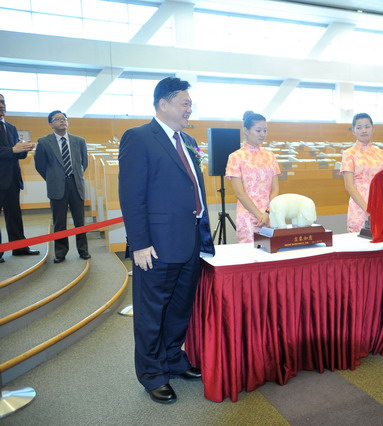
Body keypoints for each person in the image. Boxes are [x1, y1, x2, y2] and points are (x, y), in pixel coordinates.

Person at [118, 77, 214, 404]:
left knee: (179, 308)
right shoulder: (138, 138)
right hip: (156, 245)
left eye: (190, 104)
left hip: (190, 241)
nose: (189, 109)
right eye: (184, 103)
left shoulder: (188, 140)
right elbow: (132, 196)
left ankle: (173, 359)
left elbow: (192, 187)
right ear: (163, 104)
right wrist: (139, 243)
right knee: (151, 313)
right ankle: (152, 374)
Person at [34, 111, 90, 263]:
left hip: (76, 184)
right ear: (51, 124)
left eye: (64, 118)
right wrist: (53, 178)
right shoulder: (44, 142)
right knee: (59, 222)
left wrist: (74, 176)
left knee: (80, 221)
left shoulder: (79, 141)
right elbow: (40, 165)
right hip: (56, 186)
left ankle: (83, 250)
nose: (62, 121)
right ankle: (60, 252)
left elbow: (84, 163)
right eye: (57, 119)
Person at [225, 111, 280, 243]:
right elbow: (240, 193)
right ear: (246, 130)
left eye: (265, 130)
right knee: (250, 252)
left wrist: (267, 213)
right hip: (247, 215)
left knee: (271, 250)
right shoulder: (235, 157)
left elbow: (275, 189)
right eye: (258, 130)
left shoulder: (270, 156)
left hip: (270, 214)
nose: (262, 134)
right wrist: (259, 215)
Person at [0, 93, 40, 263]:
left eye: (3, 102)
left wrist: (24, 149)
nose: (1, 105)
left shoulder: (11, 127)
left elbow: (16, 152)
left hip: (12, 179)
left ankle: (19, 248)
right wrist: (12, 150)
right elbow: (10, 150)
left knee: (14, 215)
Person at [339, 113, 383, 233]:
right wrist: (367, 209)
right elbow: (349, 185)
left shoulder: (380, 153)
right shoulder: (349, 153)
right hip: (359, 205)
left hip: (380, 203)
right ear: (353, 131)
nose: (364, 130)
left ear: (373, 128)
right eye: (359, 127)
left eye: (367, 126)